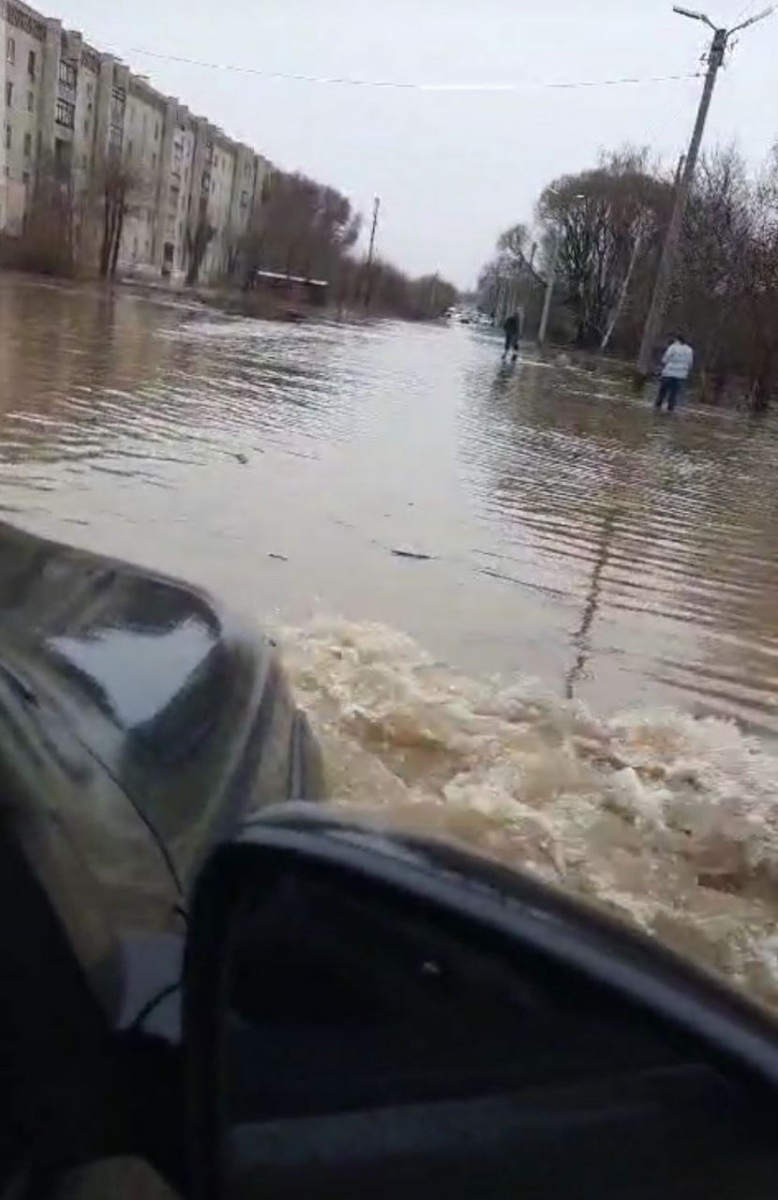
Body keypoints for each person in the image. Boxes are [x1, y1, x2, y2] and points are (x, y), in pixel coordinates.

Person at [656, 334, 694, 412]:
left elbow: (665, 359)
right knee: (674, 393)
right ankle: (670, 409)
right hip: (681, 375)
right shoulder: (689, 350)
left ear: (677, 340)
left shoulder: (672, 347)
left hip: (668, 373)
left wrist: (661, 367)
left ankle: (657, 407)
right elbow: (690, 363)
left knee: (662, 392)